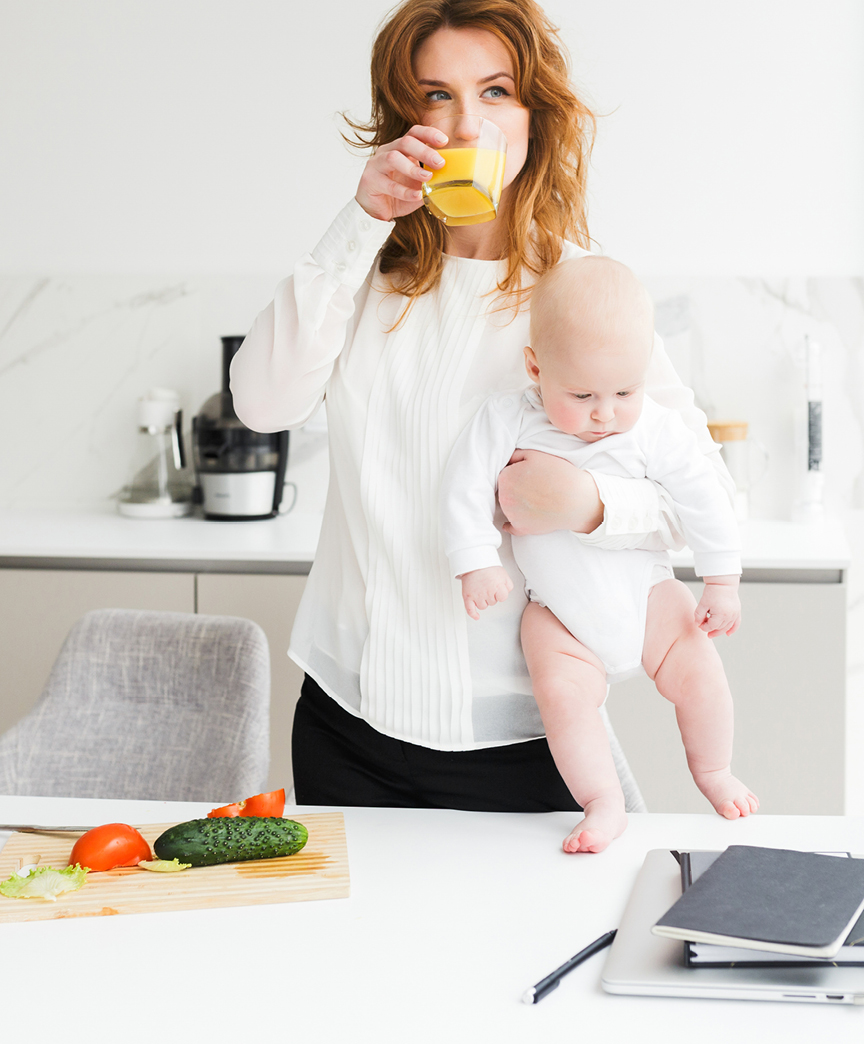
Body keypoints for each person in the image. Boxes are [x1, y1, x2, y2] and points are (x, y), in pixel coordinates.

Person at [230, 0, 732, 812]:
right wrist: (360, 222)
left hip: (526, 741)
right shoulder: (362, 275)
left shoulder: (582, 296)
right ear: (405, 119)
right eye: (436, 96)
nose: (466, 125)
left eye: (495, 92)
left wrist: (592, 503)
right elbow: (260, 402)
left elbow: (702, 497)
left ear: (535, 115)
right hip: (347, 728)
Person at [441, 256, 759, 852]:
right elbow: (460, 486)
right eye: (581, 393)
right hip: (558, 614)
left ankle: (713, 770)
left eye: (624, 391)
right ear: (536, 366)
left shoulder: (656, 429)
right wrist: (475, 559)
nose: (604, 412)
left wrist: (722, 579)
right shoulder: (509, 417)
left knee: (701, 672)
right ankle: (602, 800)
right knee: (562, 699)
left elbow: (705, 497)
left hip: (649, 596)